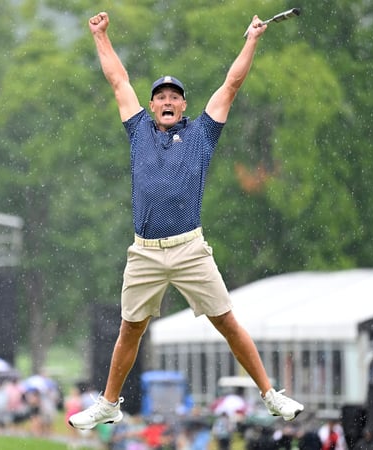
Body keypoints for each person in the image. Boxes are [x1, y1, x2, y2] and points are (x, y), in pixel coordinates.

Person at [69, 11, 304, 430]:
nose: (167, 102)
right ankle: (108, 403)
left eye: (174, 97)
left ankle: (271, 395)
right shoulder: (138, 128)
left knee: (228, 323)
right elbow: (119, 80)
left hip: (190, 249)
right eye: (160, 96)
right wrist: (101, 36)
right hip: (145, 251)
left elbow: (231, 84)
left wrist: (251, 38)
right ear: (153, 103)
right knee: (130, 331)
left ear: (183, 105)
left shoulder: (201, 134)